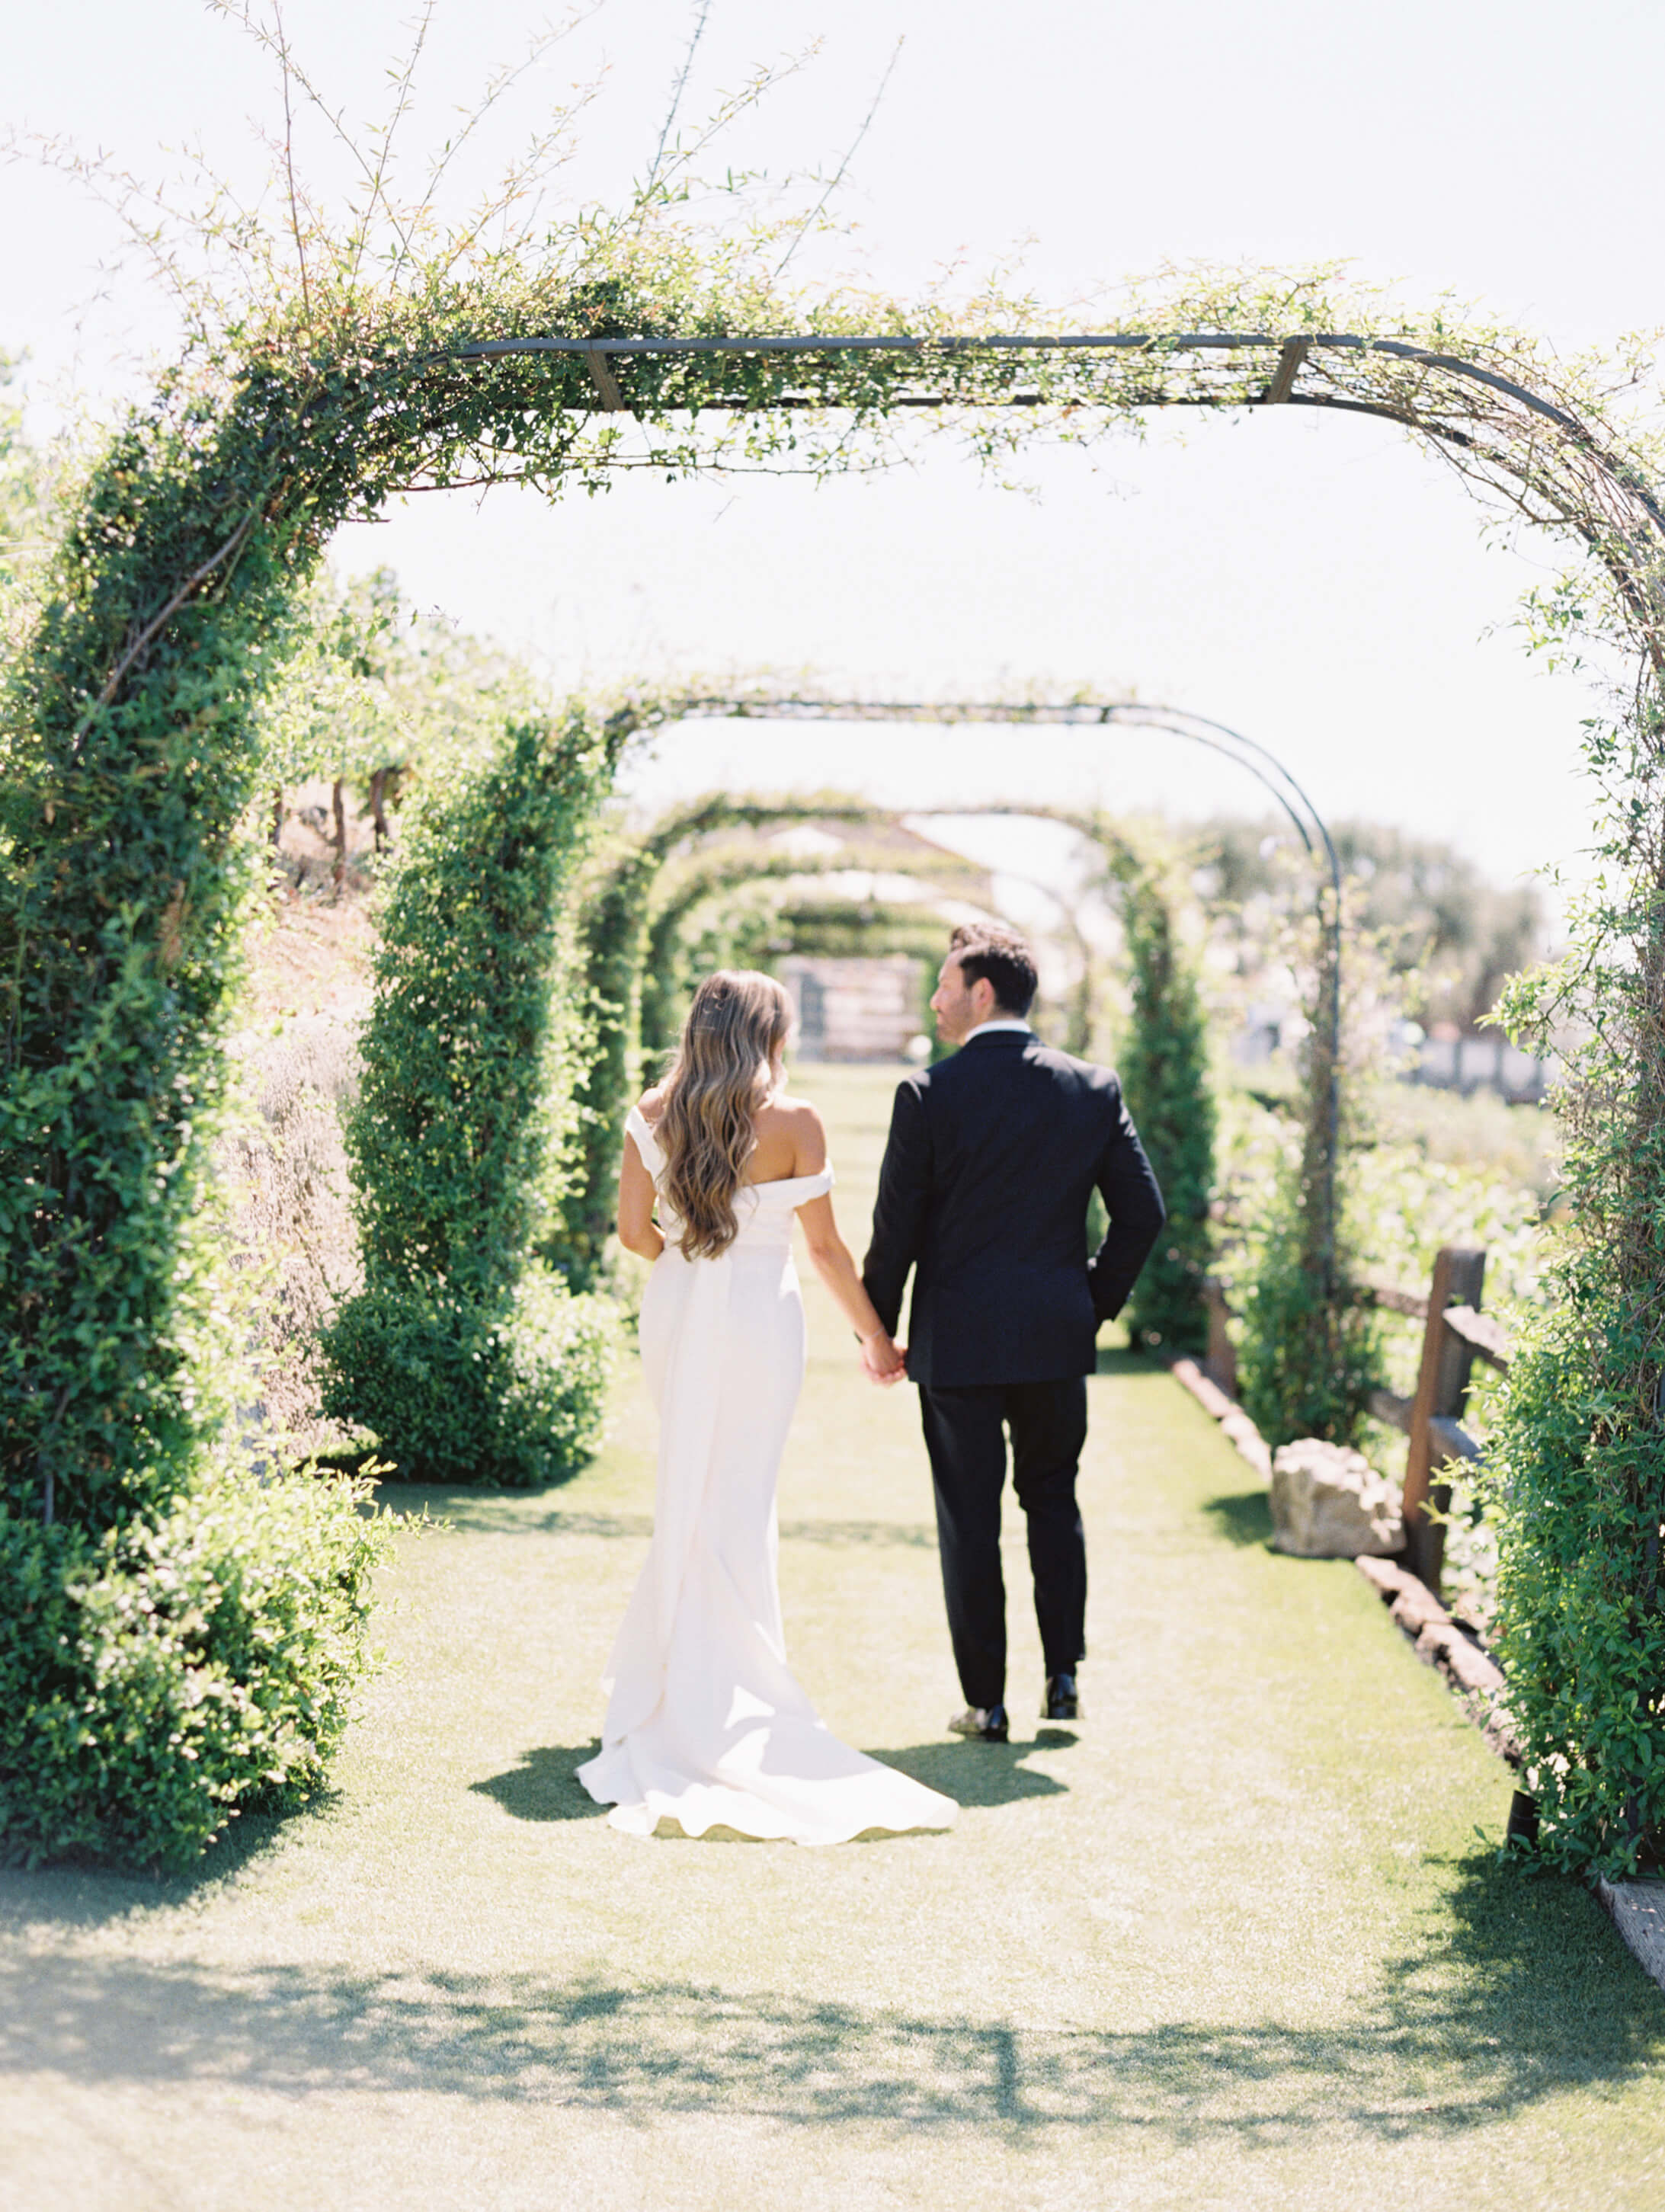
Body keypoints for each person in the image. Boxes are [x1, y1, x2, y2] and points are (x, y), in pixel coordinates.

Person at [578, 969, 957, 1844]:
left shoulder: (652, 1110)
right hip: (761, 1320)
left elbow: (635, 1236)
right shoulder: (796, 1121)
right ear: (771, 1035)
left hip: (677, 1311)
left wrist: (692, 1261)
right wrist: (875, 1338)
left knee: (689, 1482)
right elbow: (823, 1249)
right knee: (742, 1494)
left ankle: (675, 1683)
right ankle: (734, 1685)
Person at [862, 925, 1166, 1744]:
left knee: (970, 1517)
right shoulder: (1091, 1088)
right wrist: (1088, 1304)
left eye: (944, 983)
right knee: (1052, 1498)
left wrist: (875, 1331)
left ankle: (986, 1703)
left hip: (955, 1347)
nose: (935, 998)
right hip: (1052, 1341)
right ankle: (1061, 1677)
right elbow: (1143, 1215)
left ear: (982, 992)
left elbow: (896, 1234)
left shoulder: (928, 1093)